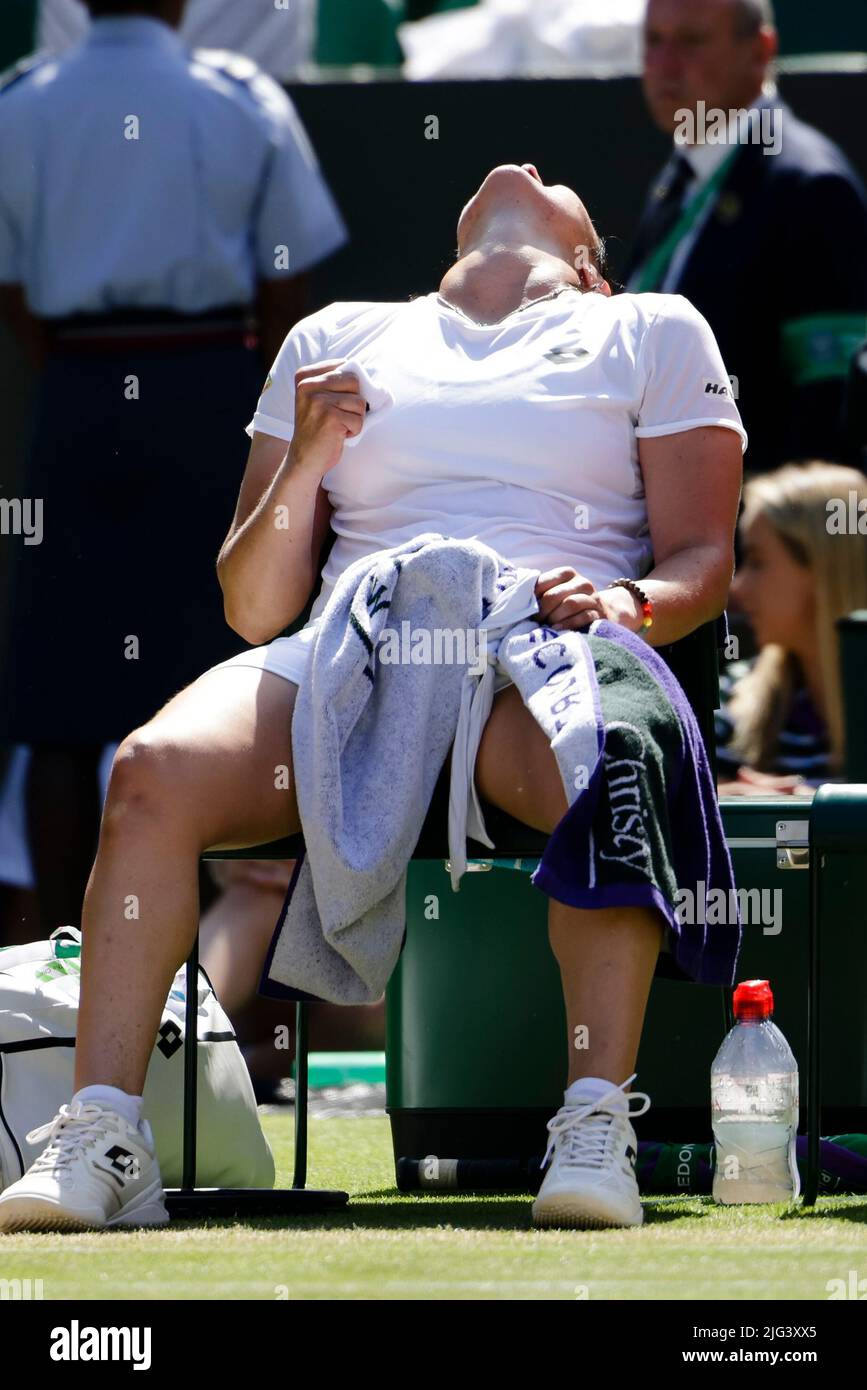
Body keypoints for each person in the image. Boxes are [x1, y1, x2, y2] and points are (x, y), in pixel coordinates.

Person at [0, 161, 745, 1234]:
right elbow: (255, 608)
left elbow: (699, 562)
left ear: (591, 264)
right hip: (354, 655)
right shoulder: (332, 336)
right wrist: (305, 461)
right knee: (153, 770)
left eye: (555, 175)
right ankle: (105, 1130)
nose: (526, 165)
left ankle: (594, 1123)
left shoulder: (654, 328)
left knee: (610, 764)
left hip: (535, 650)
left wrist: (624, 603)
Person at [0, 0, 348, 933]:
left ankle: (66, 977)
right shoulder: (241, 101)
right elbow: (288, 285)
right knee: (217, 681)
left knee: (62, 708)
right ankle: (193, 988)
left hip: (74, 398)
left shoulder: (20, 107)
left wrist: (83, 374)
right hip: (207, 402)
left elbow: (14, 286)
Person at [625, 0, 867, 474]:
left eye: (691, 41)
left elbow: (828, 414)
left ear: (761, 50)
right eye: (654, 41)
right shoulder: (677, 183)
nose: (664, 64)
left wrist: (760, 542)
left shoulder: (811, 187)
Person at [716, 462, 867, 796]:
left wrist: (810, 808)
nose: (737, 589)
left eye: (757, 561)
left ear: (825, 570)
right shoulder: (735, 696)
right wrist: (724, 797)